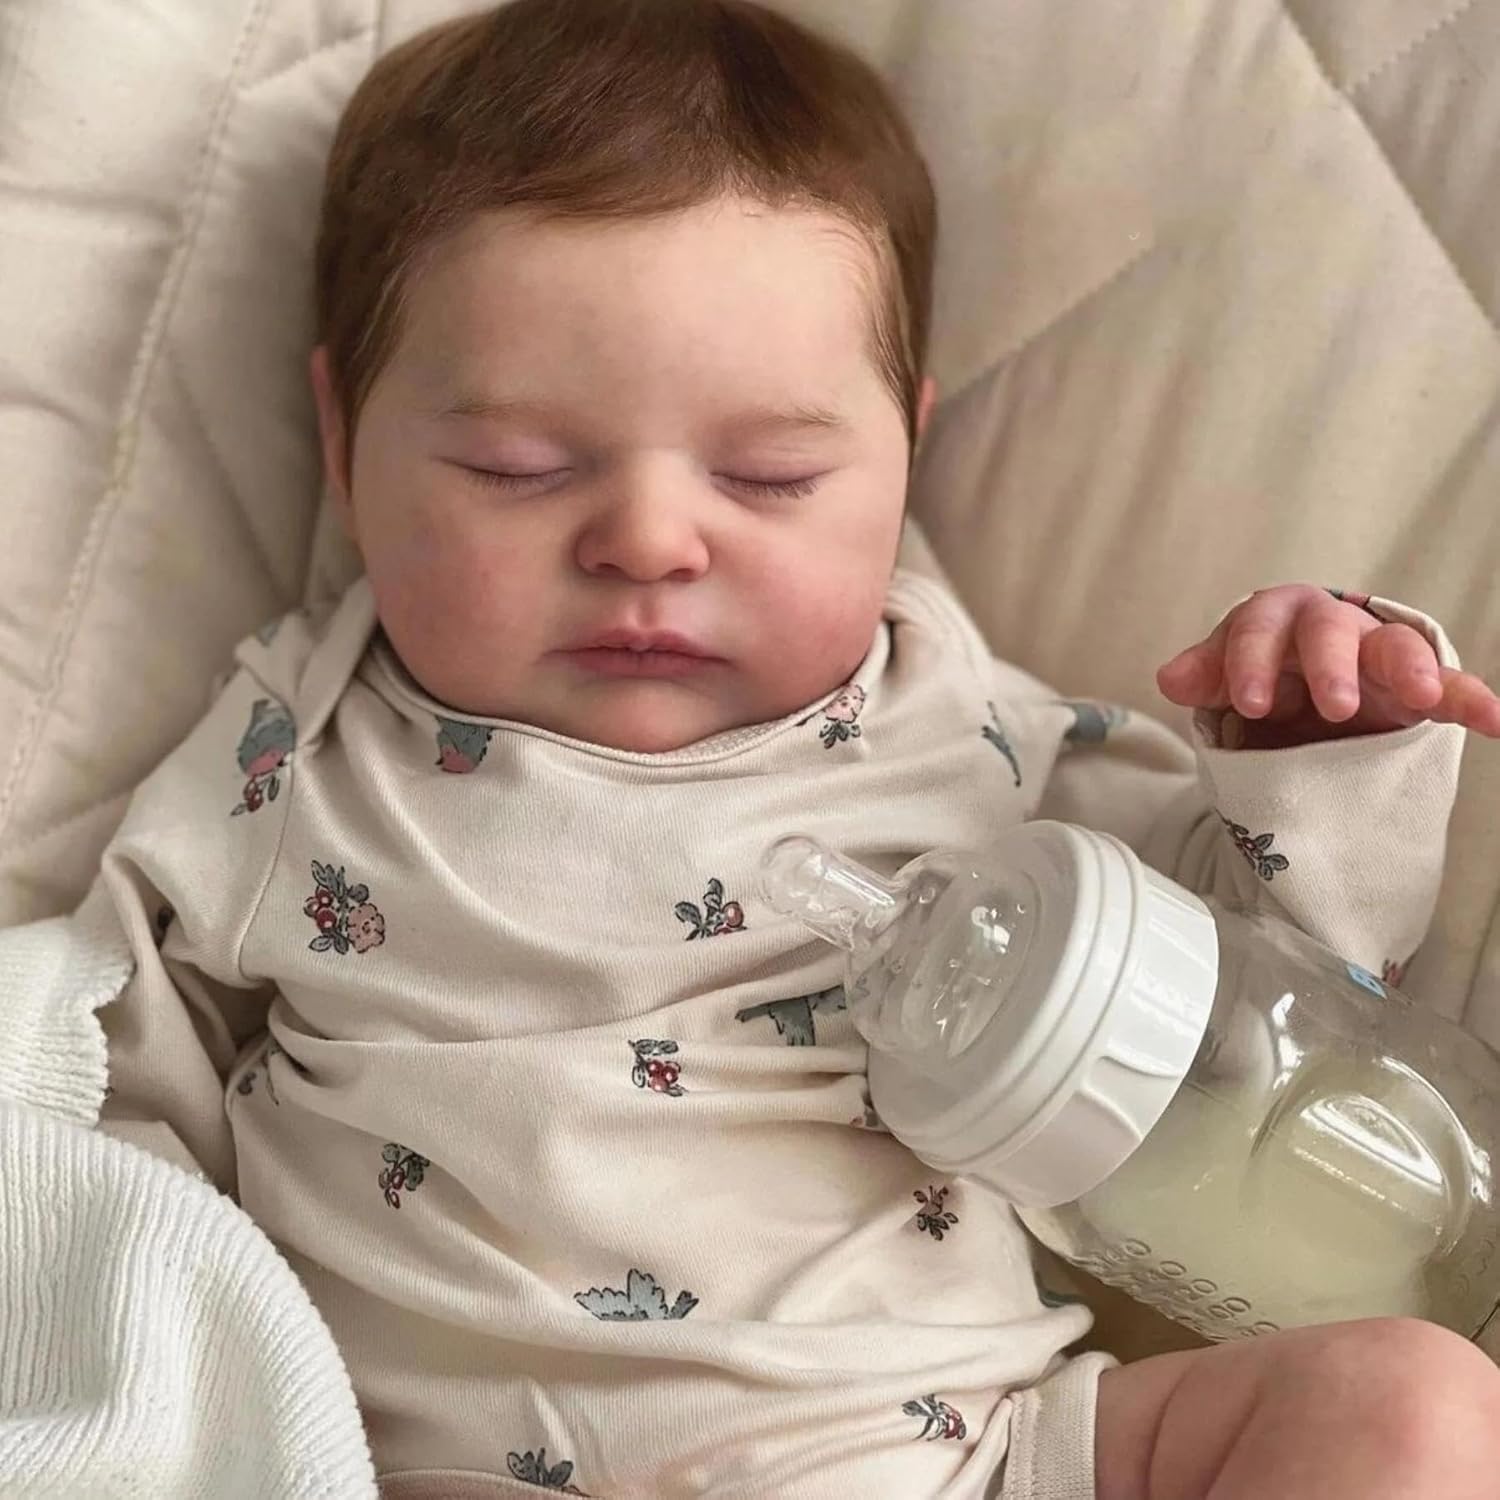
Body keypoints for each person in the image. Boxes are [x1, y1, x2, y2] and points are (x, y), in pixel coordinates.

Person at [91, 1, 1500, 1495]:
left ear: (905, 453)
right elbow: (103, 1126)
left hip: (957, 1459)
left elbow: (1282, 1013)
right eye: (518, 468)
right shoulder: (298, 758)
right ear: (343, 441)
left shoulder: (969, 742)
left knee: (1410, 1405)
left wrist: (1308, 753)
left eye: (769, 475)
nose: (649, 539)